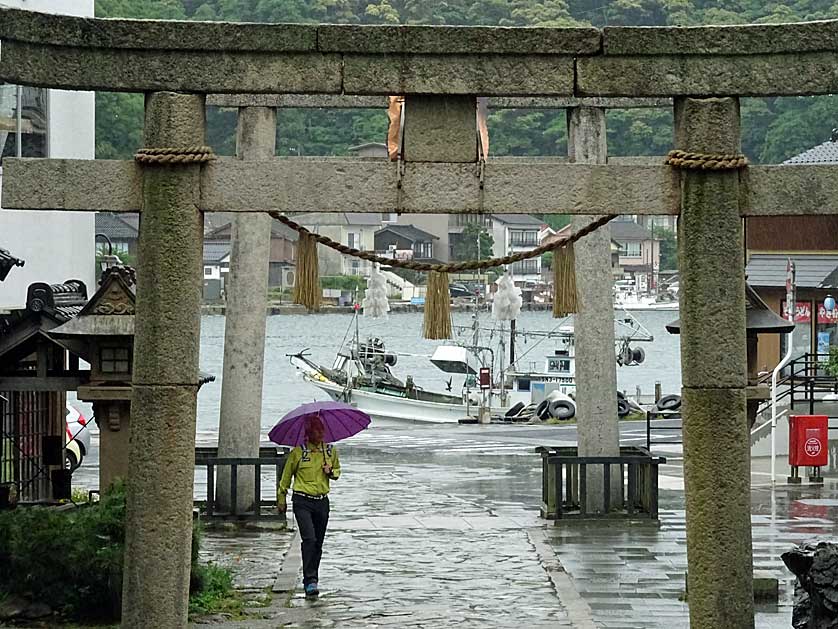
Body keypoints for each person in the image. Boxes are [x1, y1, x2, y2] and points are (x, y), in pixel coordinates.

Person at [277, 415, 341, 598]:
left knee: (318, 543)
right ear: (308, 433)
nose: (320, 434)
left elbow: (337, 472)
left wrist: (330, 471)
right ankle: (309, 580)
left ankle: (314, 577)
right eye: (316, 431)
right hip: (302, 500)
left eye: (322, 430)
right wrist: (281, 498)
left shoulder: (330, 451)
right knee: (309, 539)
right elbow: (286, 476)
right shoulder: (298, 452)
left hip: (322, 501)